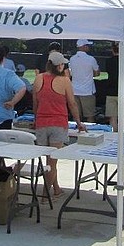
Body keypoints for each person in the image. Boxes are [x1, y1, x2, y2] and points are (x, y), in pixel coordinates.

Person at [32, 50, 87, 198]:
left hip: (41, 123)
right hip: (58, 123)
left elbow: (35, 103)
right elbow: (72, 104)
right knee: (53, 162)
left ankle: (56, 188)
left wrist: (35, 119)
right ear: (59, 65)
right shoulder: (65, 81)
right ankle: (45, 195)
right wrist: (79, 122)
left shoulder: (39, 79)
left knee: (48, 159)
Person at [105, 41, 124, 132]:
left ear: (112, 50)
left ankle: (114, 139)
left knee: (113, 118)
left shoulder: (109, 61)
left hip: (111, 92)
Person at [68, 38, 100, 121]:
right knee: (90, 115)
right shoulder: (91, 59)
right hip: (87, 91)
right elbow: (97, 73)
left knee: (77, 116)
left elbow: (70, 73)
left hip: (75, 90)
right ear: (84, 46)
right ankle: (91, 133)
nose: (88, 47)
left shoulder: (72, 59)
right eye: (87, 45)